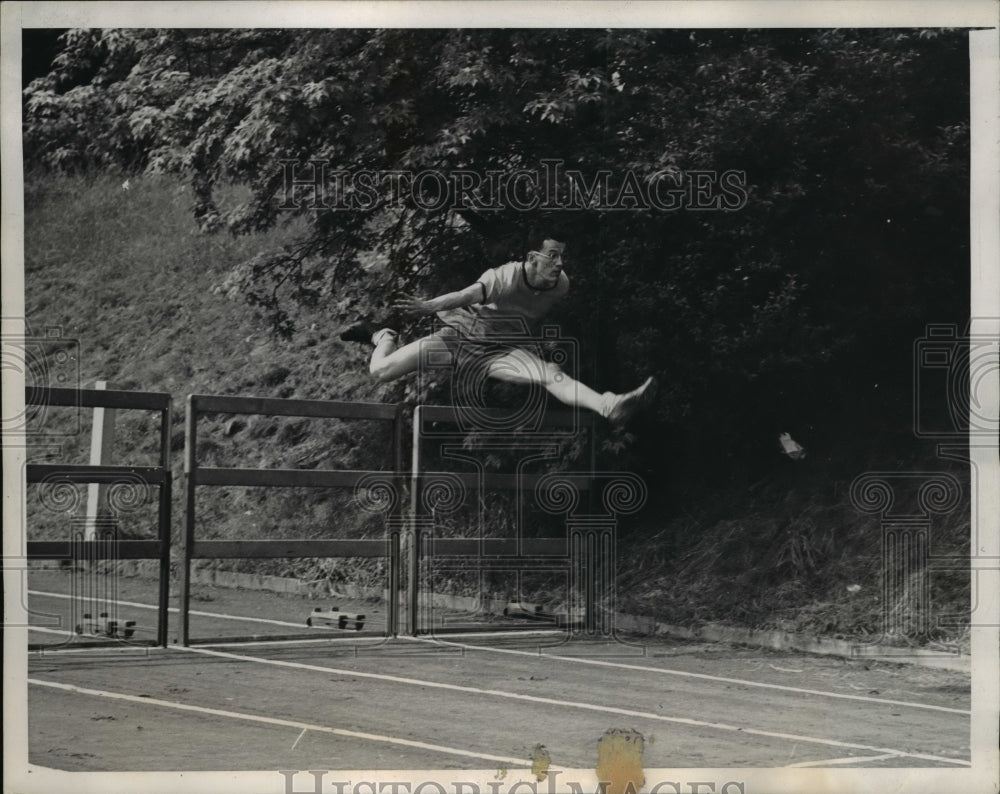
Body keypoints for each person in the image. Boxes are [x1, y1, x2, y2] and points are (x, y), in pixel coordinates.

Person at [340, 234, 656, 425]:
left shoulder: (560, 285)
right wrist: (428, 306)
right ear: (533, 259)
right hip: (457, 340)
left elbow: (530, 312)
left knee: (549, 374)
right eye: (552, 257)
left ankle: (608, 405)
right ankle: (383, 335)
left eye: (562, 257)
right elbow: (466, 295)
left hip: (499, 353)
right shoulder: (502, 277)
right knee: (380, 371)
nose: (559, 264)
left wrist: (542, 350)